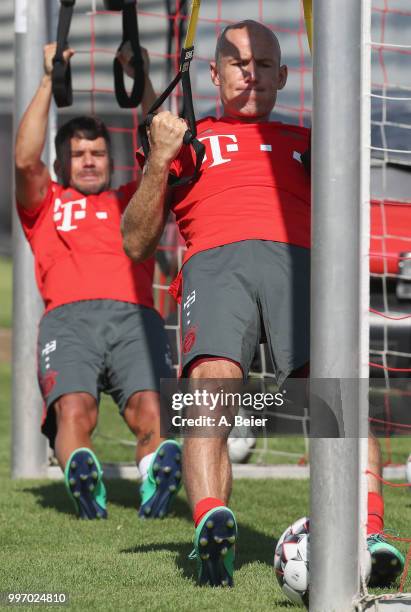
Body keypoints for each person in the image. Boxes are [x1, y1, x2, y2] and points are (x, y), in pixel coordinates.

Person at [122, 20, 404, 587]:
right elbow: (134, 241)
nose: (251, 72)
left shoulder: (310, 141)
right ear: (213, 73)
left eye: (264, 64)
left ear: (281, 76)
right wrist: (159, 158)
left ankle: (368, 534)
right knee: (213, 385)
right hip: (216, 264)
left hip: (301, 268)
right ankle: (211, 526)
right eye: (238, 63)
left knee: (336, 401)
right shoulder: (189, 140)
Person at [14, 42, 182, 520]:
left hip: (136, 318)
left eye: (98, 154)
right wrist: (49, 79)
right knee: (75, 412)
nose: (89, 161)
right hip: (69, 322)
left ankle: (155, 472)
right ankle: (81, 471)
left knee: (150, 411)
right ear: (64, 164)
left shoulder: (134, 198)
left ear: (112, 161)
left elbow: (165, 147)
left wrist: (145, 75)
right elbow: (26, 161)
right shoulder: (46, 203)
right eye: (79, 154)